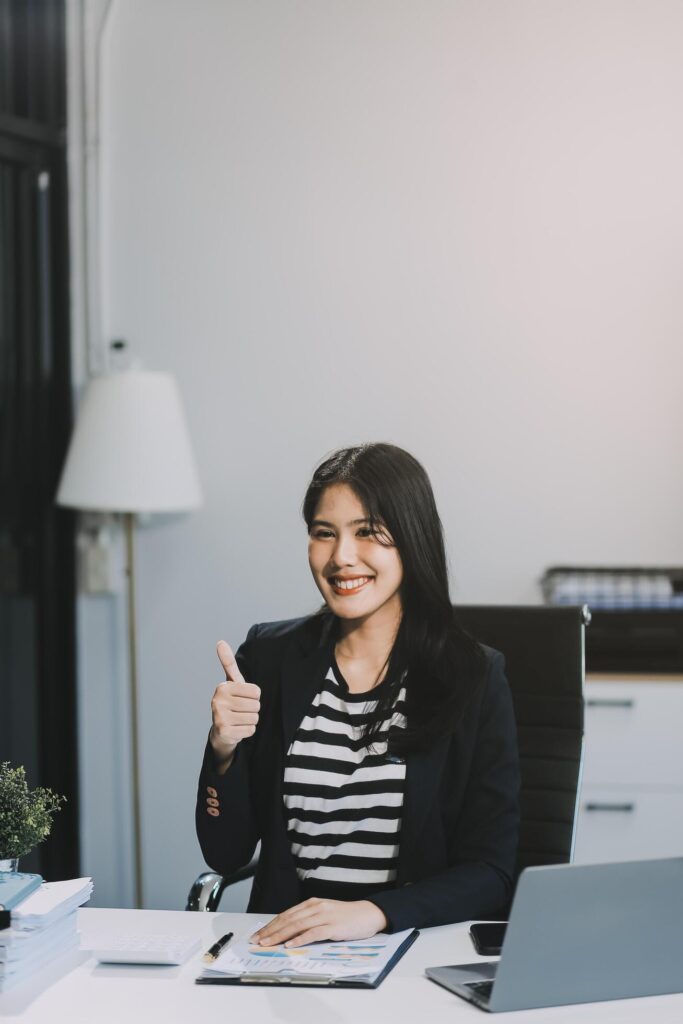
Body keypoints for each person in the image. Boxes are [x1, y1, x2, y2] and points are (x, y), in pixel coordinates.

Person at [196, 443, 520, 948]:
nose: (341, 557)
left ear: (411, 538)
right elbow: (226, 854)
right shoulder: (269, 657)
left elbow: (491, 871)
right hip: (283, 954)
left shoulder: (472, 676)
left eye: (367, 532)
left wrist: (374, 913)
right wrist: (223, 752)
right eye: (324, 533)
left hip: (409, 948)